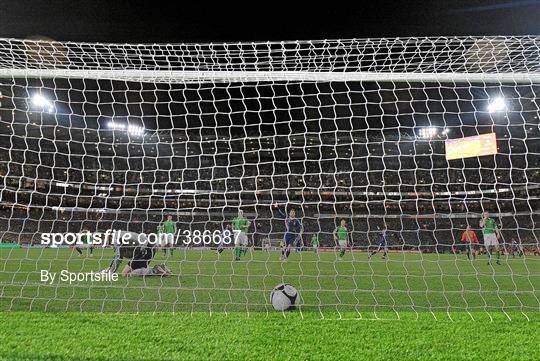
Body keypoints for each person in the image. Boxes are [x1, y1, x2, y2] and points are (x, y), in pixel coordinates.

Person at [103, 231, 171, 277]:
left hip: (144, 251)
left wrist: (111, 272)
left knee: (125, 273)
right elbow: (118, 255)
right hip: (144, 250)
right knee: (128, 272)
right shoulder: (119, 235)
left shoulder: (116, 239)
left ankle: (155, 270)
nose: (106, 242)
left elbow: (118, 256)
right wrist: (110, 268)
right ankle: (158, 268)